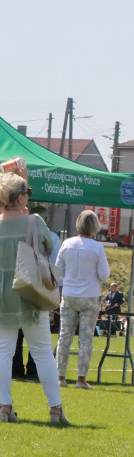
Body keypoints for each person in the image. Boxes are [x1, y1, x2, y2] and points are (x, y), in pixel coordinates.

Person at [0, 172, 68, 425]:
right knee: (41, 352)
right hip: (30, 290)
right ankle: (55, 409)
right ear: (20, 198)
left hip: (2, 294)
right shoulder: (34, 221)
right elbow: (50, 247)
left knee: (3, 352)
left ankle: (4, 407)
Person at [54, 210, 110, 389]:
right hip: (90, 296)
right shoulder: (97, 247)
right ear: (94, 227)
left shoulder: (67, 243)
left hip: (69, 294)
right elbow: (104, 275)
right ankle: (80, 379)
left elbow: (58, 271)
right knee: (86, 339)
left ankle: (60, 377)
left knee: (64, 337)